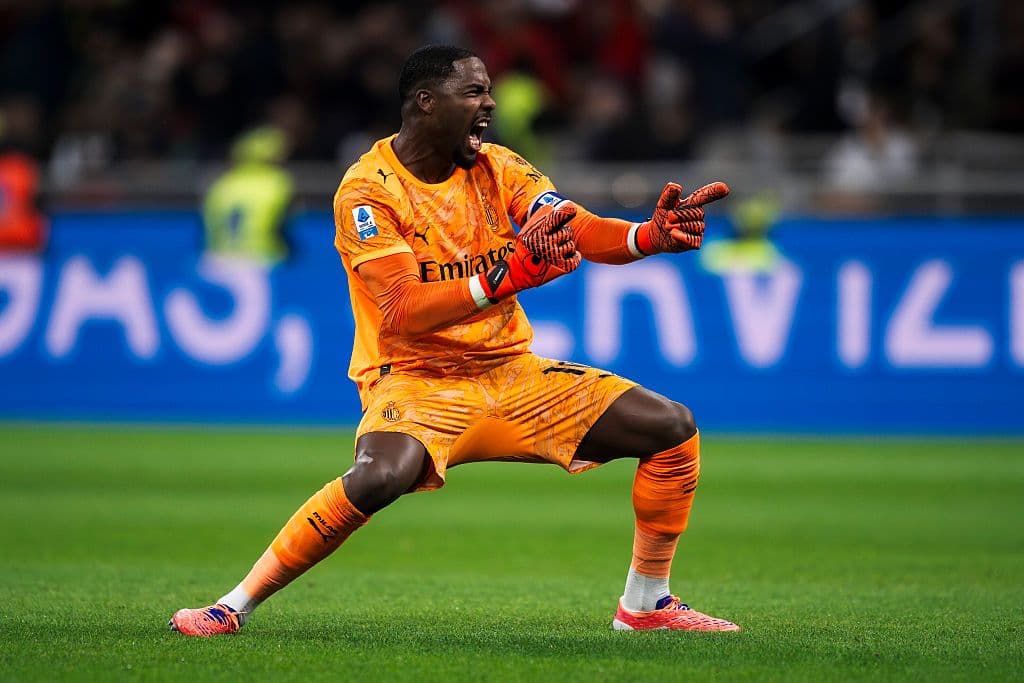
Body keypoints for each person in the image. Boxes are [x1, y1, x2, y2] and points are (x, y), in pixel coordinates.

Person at [170, 45, 738, 636]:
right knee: (379, 477)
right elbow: (404, 311)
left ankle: (646, 605)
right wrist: (505, 277)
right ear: (425, 102)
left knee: (671, 427)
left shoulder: (499, 165)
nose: (488, 102)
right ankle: (231, 606)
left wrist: (646, 236)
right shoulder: (369, 191)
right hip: (416, 379)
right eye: (473, 92)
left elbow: (577, 228)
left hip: (510, 374)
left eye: (488, 90)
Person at [201, 126, 294, 266]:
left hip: (216, 259)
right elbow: (283, 227)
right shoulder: (277, 182)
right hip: (259, 260)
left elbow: (204, 227)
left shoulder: (221, 183)